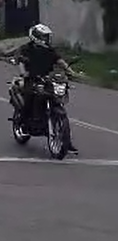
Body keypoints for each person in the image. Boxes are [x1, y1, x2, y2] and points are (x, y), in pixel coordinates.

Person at [15, 23, 79, 154]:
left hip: (47, 80)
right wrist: (24, 73)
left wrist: (70, 72)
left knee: (56, 100)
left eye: (47, 37)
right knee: (30, 97)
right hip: (32, 79)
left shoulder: (50, 50)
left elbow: (59, 61)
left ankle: (65, 140)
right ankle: (23, 123)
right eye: (44, 37)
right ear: (36, 37)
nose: (46, 39)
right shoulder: (27, 49)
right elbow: (20, 61)